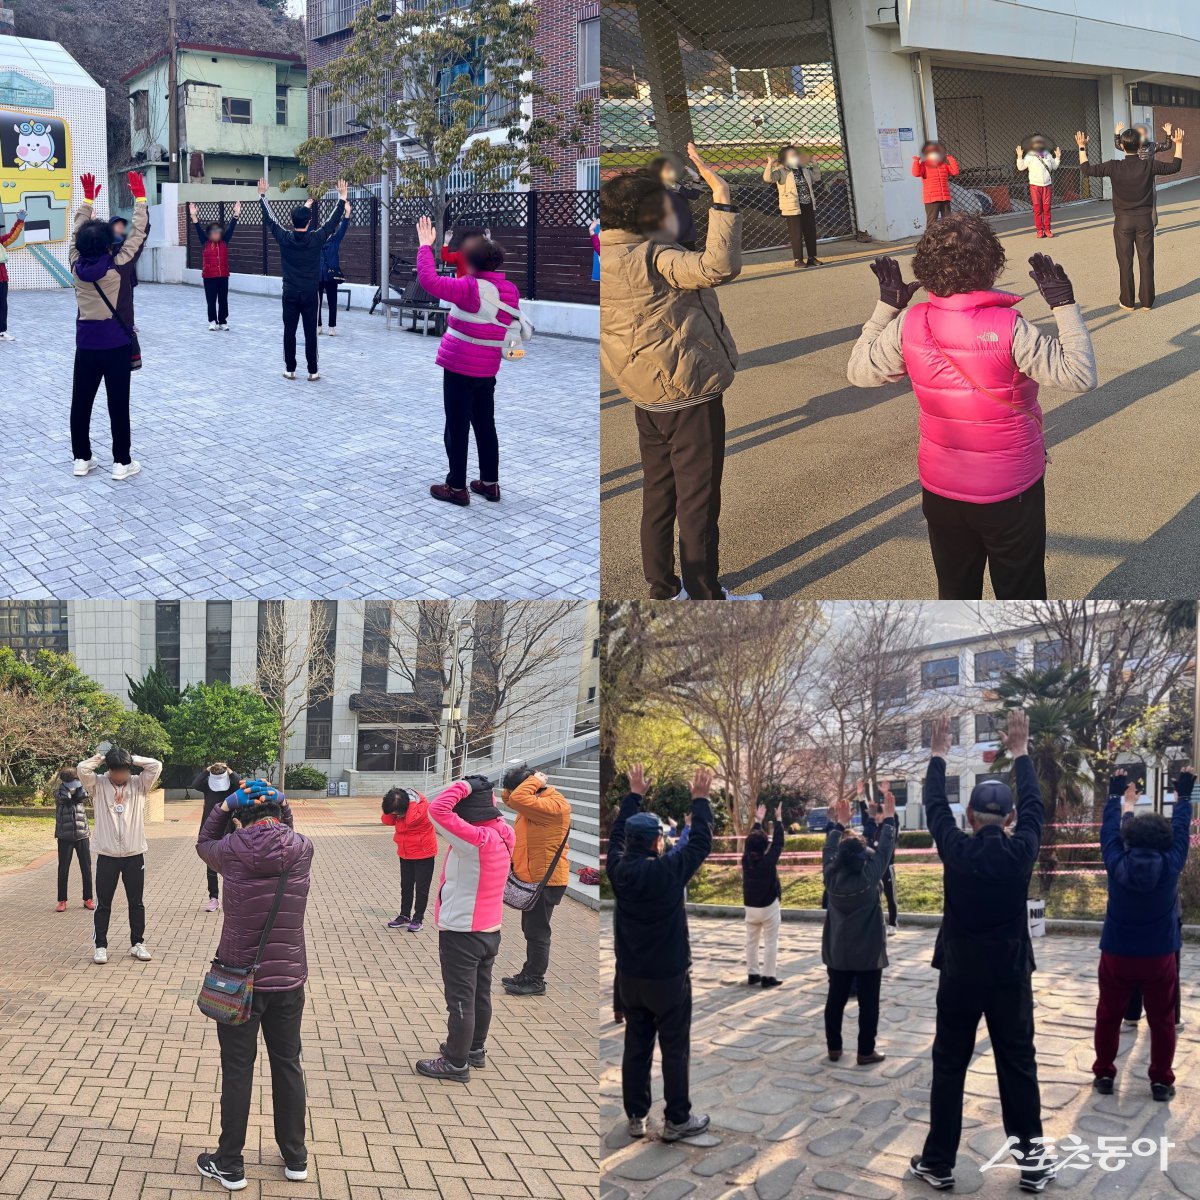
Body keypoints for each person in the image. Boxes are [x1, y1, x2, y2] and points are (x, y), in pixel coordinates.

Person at [847, 220, 1097, 600]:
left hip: (942, 489)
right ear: (991, 265)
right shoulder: (1011, 327)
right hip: (1010, 489)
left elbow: (859, 372)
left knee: (955, 591)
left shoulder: (910, 322)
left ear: (925, 268)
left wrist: (887, 308)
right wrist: (1064, 307)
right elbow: (1079, 375)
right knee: (1021, 592)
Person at [599, 142, 760, 602]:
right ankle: (705, 595)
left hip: (645, 392)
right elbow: (717, 266)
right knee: (698, 499)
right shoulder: (653, 256)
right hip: (687, 390)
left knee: (659, 491)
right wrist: (721, 197)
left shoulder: (602, 253)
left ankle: (664, 588)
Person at [909, 711, 1048, 1193]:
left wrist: (938, 756)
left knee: (950, 1064)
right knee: (1018, 1064)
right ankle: (1033, 1164)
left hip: (961, 974)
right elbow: (1035, 807)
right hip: (1010, 974)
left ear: (968, 817)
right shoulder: (1022, 850)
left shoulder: (957, 849)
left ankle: (938, 1162)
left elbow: (933, 805)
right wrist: (1021, 753)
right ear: (1009, 819)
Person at [195, 779, 314, 1191]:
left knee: (237, 1069)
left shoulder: (230, 850)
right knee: (287, 1064)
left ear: (238, 821)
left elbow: (203, 841)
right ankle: (295, 1157)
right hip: (288, 980)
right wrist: (281, 800)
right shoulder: (302, 848)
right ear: (279, 815)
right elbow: (287, 830)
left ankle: (229, 1163)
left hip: (238, 981)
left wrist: (225, 805)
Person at [608, 763, 714, 1142]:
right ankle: (677, 1119)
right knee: (674, 1048)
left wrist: (633, 795)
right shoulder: (669, 871)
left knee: (636, 1046)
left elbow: (616, 835)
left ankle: (636, 1116)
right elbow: (700, 843)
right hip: (668, 976)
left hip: (630, 977)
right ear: (657, 842)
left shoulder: (618, 870)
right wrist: (700, 800)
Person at [1092, 765, 1193, 1101]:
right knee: (1162, 1020)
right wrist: (1183, 796)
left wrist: (1115, 796)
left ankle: (1104, 1074)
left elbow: (1108, 830)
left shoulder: (1115, 860)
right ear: (1165, 840)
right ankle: (1161, 1081)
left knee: (1108, 1015)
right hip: (1159, 955)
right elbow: (1182, 829)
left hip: (1116, 953)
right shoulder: (1172, 863)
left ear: (1128, 838)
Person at [414, 215, 527, 507]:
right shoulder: (510, 290)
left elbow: (429, 280)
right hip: (487, 369)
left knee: (457, 425)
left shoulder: (468, 288)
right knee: (485, 425)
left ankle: (456, 487)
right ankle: (489, 484)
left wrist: (425, 247)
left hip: (459, 367)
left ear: (471, 262)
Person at [416, 776, 515, 1081]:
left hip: (462, 931)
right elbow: (488, 808)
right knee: (480, 994)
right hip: (490, 930)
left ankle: (455, 1062)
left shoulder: (474, 840)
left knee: (460, 999)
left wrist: (466, 786)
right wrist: (483, 792)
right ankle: (474, 1049)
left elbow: (437, 810)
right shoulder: (504, 832)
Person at [69, 171, 149, 481]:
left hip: (86, 345)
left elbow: (75, 234)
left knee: (81, 403)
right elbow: (137, 233)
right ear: (107, 245)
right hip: (116, 345)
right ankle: (121, 462)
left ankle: (81, 458)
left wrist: (87, 201)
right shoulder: (118, 265)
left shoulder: (75, 266)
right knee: (118, 404)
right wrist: (140, 199)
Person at [821, 787, 897, 1065]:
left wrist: (839, 824)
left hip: (838, 950)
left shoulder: (830, 878)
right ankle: (865, 1051)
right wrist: (889, 819)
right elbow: (885, 850)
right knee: (869, 1004)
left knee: (835, 1000)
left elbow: (828, 850)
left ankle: (834, 1048)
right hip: (868, 952)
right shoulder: (869, 878)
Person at [1077, 126, 1183, 310]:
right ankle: (1147, 302)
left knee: (1125, 262)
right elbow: (1175, 166)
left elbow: (1086, 170)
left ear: (1122, 146)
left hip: (1123, 221)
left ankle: (1127, 301)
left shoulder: (1114, 166)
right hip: (1144, 220)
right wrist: (1179, 144)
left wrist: (1081, 147)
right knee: (1146, 261)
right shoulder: (1149, 165)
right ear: (1139, 145)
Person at [77, 745, 163, 964]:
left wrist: (130, 758)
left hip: (134, 854)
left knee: (137, 902)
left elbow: (156, 765)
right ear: (109, 769)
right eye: (115, 771)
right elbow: (82, 768)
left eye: (123, 770)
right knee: (103, 903)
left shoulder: (139, 784)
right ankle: (100, 946)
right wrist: (102, 757)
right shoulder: (98, 784)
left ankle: (138, 943)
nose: (119, 776)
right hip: (107, 855)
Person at [258, 177, 350, 381]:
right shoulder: (316, 238)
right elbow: (332, 222)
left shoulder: (284, 238)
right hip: (310, 293)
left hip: (290, 292)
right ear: (309, 223)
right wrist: (342, 198)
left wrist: (262, 195)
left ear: (292, 222)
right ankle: (312, 371)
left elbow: (270, 219)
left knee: (289, 332)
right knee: (310, 333)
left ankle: (290, 369)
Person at [499, 764, 572, 997]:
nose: (512, 794)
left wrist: (534, 779)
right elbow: (511, 798)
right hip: (535, 878)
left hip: (546, 880)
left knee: (538, 933)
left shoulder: (554, 805)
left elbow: (517, 797)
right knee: (531, 929)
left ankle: (535, 980)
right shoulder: (534, 802)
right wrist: (528, 781)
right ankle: (528, 973)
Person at [380, 786, 437, 933]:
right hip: (405, 853)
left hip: (424, 854)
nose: (395, 815)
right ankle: (405, 915)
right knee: (406, 886)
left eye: (396, 812)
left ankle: (418, 918)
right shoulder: (402, 806)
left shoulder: (423, 808)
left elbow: (411, 821)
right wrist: (389, 807)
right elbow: (386, 820)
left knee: (421, 889)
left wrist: (411, 802)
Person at [742, 802, 784, 988]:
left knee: (751, 941)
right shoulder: (768, 861)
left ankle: (753, 974)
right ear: (765, 845)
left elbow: (751, 842)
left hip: (750, 906)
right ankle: (768, 976)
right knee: (771, 941)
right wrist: (779, 819)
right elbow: (779, 843)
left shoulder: (745, 860)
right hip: (768, 906)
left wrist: (758, 822)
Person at [191, 763, 243, 911]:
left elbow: (240, 783)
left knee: (231, 863)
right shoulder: (207, 786)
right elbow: (195, 784)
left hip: (229, 827)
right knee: (211, 865)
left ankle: (231, 897)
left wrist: (230, 771)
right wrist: (207, 770)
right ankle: (213, 898)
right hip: (209, 828)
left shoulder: (231, 786)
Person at [763, 144, 821, 267]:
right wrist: (770, 164)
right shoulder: (781, 171)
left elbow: (817, 177)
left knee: (810, 232)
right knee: (796, 234)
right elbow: (768, 178)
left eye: (796, 154)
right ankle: (798, 260)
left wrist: (814, 164)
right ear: (785, 158)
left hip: (807, 204)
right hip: (792, 206)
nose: (796, 157)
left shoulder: (804, 169)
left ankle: (812, 257)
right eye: (792, 155)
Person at [189, 201, 240, 331]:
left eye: (218, 231)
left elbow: (231, 228)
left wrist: (236, 214)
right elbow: (197, 228)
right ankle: (212, 321)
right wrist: (193, 215)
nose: (216, 233)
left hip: (223, 276)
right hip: (209, 277)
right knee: (211, 300)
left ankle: (222, 321)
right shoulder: (205, 242)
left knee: (223, 300)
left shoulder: (224, 241)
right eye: (213, 232)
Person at [858, 780, 899, 930]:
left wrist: (886, 794)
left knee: (890, 895)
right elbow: (866, 814)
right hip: (872, 867)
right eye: (877, 813)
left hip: (887, 867)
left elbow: (893, 817)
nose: (877, 816)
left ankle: (893, 923)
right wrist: (860, 796)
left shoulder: (888, 828)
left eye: (880, 813)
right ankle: (874, 922)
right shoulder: (871, 827)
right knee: (872, 895)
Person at [54, 767, 94, 912]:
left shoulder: (80, 790)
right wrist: (68, 790)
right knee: (63, 869)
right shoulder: (58, 792)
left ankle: (88, 898)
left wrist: (78, 787)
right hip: (64, 836)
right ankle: (62, 900)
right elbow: (64, 799)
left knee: (86, 868)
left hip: (82, 834)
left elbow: (85, 796)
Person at [644, 155, 701, 251]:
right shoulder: (650, 187)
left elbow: (694, 195)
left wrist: (696, 178)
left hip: (685, 232)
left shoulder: (672, 184)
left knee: (689, 255)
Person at [108, 213, 149, 339]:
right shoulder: (108, 241)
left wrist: (145, 215)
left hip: (128, 276)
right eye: (117, 225)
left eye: (122, 226)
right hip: (113, 277)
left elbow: (139, 238)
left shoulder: (126, 239)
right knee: (115, 301)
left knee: (128, 300)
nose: (120, 228)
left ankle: (129, 323)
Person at [1015, 136, 1060, 238]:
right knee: (1037, 209)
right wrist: (1019, 157)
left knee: (1047, 208)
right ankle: (1040, 230)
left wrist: (1057, 158)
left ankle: (1047, 229)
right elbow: (1021, 167)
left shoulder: (1048, 155)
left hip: (1047, 185)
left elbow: (1054, 166)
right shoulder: (1029, 156)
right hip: (1035, 186)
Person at [316, 204, 349, 335]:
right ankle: (318, 325)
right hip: (318, 275)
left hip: (331, 275)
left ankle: (331, 327)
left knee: (332, 301)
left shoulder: (335, 239)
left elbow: (343, 228)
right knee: (316, 302)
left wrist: (347, 214)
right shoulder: (316, 239)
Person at [912, 142, 959, 227]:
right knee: (932, 221)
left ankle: (947, 235)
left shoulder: (944, 165)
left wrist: (950, 158)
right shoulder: (924, 165)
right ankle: (930, 236)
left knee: (948, 221)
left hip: (944, 198)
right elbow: (916, 173)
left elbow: (955, 172)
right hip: (931, 199)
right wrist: (916, 161)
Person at [0, 206, 26, 342]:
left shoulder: (0, 242)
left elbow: (12, 236)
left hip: (2, 279)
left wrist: (19, 222)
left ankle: (1, 332)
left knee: (2, 305)